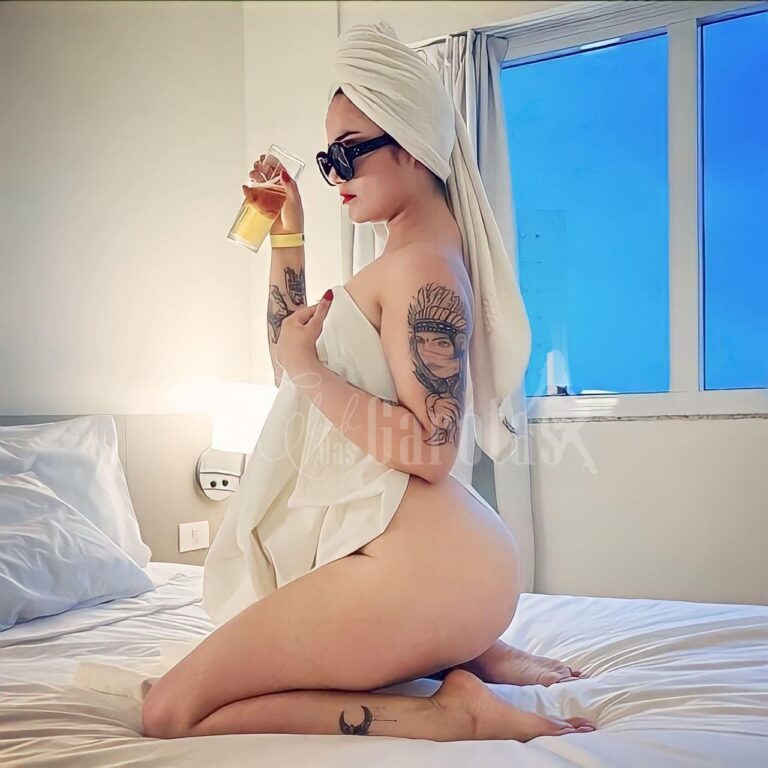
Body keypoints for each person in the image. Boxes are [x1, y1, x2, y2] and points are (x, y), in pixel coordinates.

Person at [142, 29, 596, 744]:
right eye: (329, 159)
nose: (336, 174)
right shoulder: (408, 257)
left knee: (168, 710)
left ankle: (447, 709)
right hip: (439, 562)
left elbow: (431, 450)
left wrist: (309, 370)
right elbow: (292, 374)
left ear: (411, 143)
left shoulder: (422, 267)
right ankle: (465, 651)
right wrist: (287, 234)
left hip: (429, 565)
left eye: (349, 152)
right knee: (180, 701)